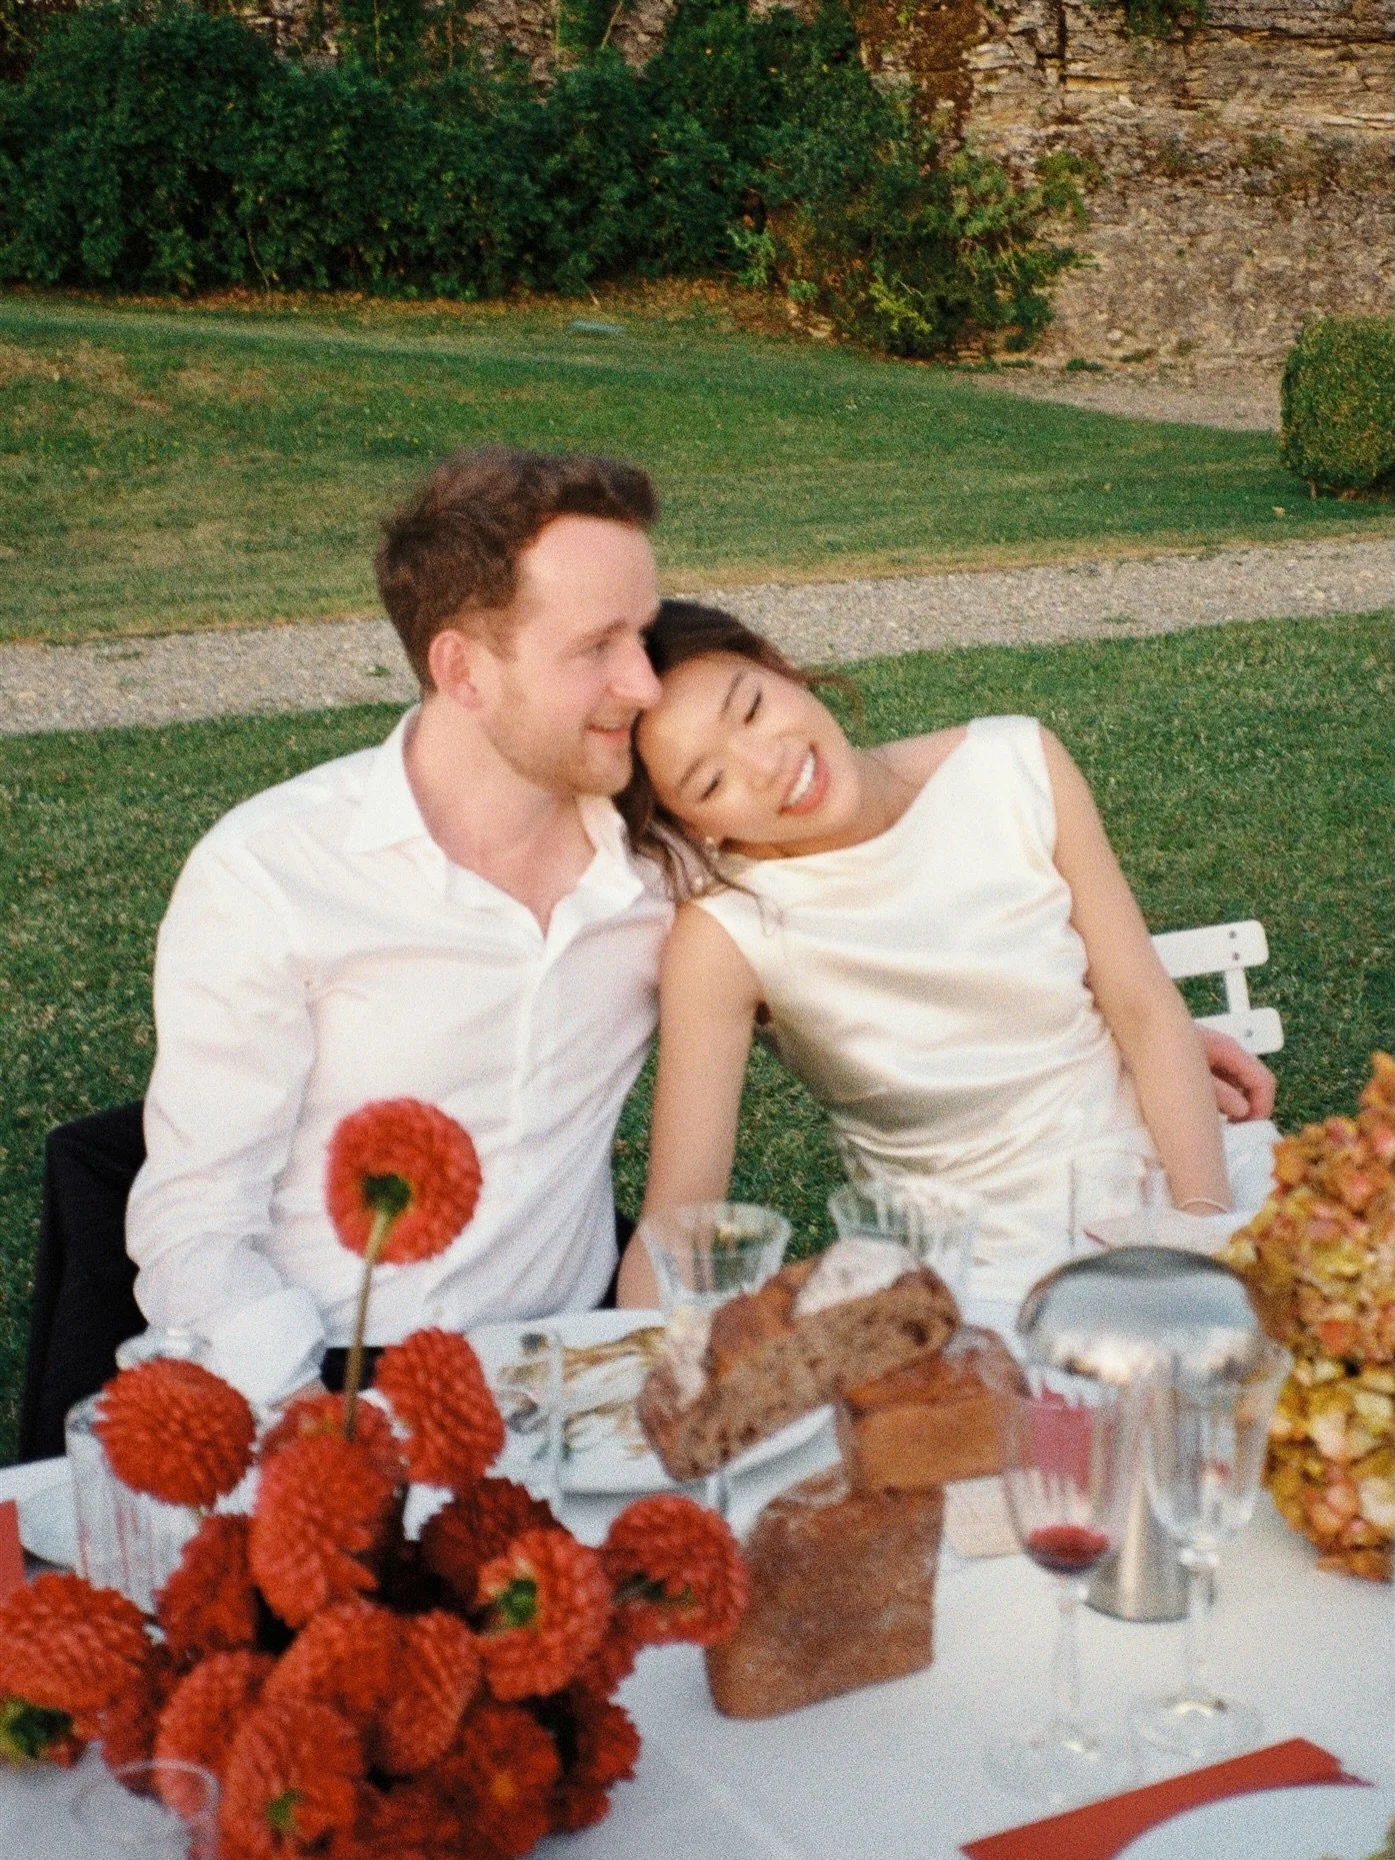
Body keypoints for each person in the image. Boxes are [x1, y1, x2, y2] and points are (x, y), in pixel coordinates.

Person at [125, 448, 671, 1403]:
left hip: (575, 1383)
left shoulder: (660, 866)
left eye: (645, 637)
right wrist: (323, 1428)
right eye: (596, 649)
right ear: (460, 668)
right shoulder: (272, 875)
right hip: (326, 1379)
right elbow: (193, 1227)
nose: (645, 684)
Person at [613, 600, 1279, 1308]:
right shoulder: (723, 937)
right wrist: (622, 1368)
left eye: (748, 708)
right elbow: (679, 1216)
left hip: (1171, 1178)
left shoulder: (1014, 768)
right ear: (691, 826)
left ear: (779, 667)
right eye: (709, 783)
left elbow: (1144, 1011)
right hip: (968, 1278)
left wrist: (1202, 1232)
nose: (767, 764)